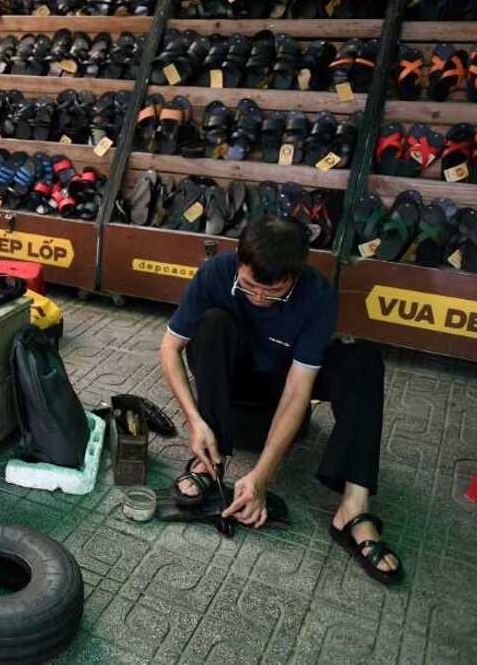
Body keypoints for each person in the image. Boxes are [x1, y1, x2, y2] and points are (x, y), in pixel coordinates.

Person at [157, 215, 401, 585]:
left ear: (296, 275)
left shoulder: (318, 296)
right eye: (250, 285)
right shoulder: (216, 273)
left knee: (363, 362)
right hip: (231, 389)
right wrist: (195, 421)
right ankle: (208, 461)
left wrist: (261, 478)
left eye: (274, 292)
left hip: (281, 392)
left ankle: (353, 509)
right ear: (239, 261)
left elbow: (298, 390)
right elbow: (169, 348)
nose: (259, 298)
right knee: (211, 324)